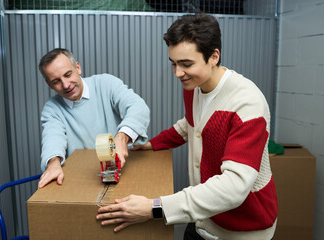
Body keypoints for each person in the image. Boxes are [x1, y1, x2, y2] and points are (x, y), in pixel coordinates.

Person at [96, 14, 278, 240]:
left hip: (242, 229)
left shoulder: (247, 104)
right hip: (203, 218)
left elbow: (234, 187)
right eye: (173, 63)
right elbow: (190, 124)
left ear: (213, 56)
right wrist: (153, 144)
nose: (177, 73)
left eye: (186, 64)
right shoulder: (194, 85)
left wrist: (155, 207)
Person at [37, 48, 150, 188]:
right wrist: (53, 163)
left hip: (125, 170)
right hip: (84, 181)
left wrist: (122, 138)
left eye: (68, 74)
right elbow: (52, 137)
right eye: (56, 81)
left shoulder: (106, 84)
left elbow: (138, 107)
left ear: (78, 68)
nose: (66, 85)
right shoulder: (52, 108)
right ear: (49, 84)